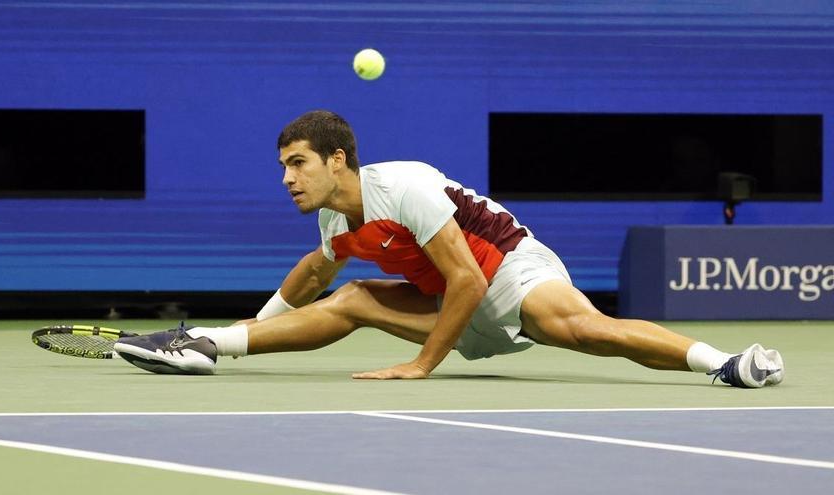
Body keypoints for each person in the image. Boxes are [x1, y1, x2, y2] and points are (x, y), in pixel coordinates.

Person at [113, 110, 784, 388]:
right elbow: (314, 273)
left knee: (581, 328)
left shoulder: (404, 185)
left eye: (297, 163)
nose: (287, 178)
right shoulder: (336, 222)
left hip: (510, 271)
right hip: (455, 302)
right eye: (283, 167)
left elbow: (466, 278)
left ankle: (726, 363)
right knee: (349, 295)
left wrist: (422, 363)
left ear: (337, 159)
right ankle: (203, 342)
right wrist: (245, 329)